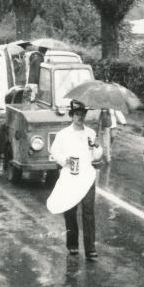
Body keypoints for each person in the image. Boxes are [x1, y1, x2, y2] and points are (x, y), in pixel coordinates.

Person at [48, 100, 99, 260]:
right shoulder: (63, 134)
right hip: (70, 177)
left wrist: (96, 148)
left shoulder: (91, 133)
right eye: (77, 114)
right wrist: (65, 160)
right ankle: (73, 245)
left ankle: (90, 249)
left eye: (82, 114)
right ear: (72, 116)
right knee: (70, 211)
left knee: (88, 212)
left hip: (87, 176)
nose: (80, 117)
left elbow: (96, 156)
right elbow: (54, 151)